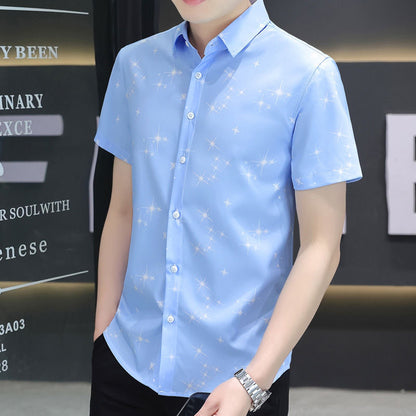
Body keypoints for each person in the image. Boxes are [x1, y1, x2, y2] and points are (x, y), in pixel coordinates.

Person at [89, 0, 363, 415]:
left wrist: (253, 381)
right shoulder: (135, 65)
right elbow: (123, 210)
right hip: (126, 363)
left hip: (239, 381)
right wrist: (103, 336)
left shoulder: (307, 74)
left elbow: (321, 247)